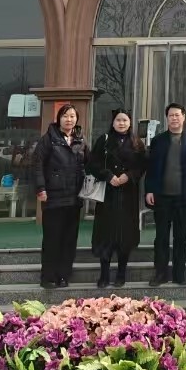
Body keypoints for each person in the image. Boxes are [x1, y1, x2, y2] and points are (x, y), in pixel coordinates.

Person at [88, 108, 148, 288]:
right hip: (108, 194)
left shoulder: (137, 143)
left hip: (128, 195)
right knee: (105, 234)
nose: (121, 123)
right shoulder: (104, 140)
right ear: (113, 122)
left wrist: (128, 176)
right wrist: (108, 176)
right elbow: (93, 163)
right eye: (118, 120)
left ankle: (121, 273)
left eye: (125, 120)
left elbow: (142, 166)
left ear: (130, 122)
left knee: (125, 236)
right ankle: (104, 275)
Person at [144, 103, 186, 287]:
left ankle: (179, 274)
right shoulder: (158, 141)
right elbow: (151, 168)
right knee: (161, 237)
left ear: (183, 117)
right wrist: (149, 190)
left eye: (177, 115)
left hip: (183, 196)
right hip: (161, 196)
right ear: (167, 118)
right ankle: (160, 273)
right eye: (171, 115)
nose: (174, 118)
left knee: (181, 237)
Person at [33, 103, 88, 289]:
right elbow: (37, 164)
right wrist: (41, 188)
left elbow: (88, 164)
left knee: (69, 239)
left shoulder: (80, 140)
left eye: (72, 116)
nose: (69, 119)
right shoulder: (49, 139)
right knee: (52, 238)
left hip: (74, 197)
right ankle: (48, 277)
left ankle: (64, 275)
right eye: (65, 116)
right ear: (59, 119)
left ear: (76, 119)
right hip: (53, 197)